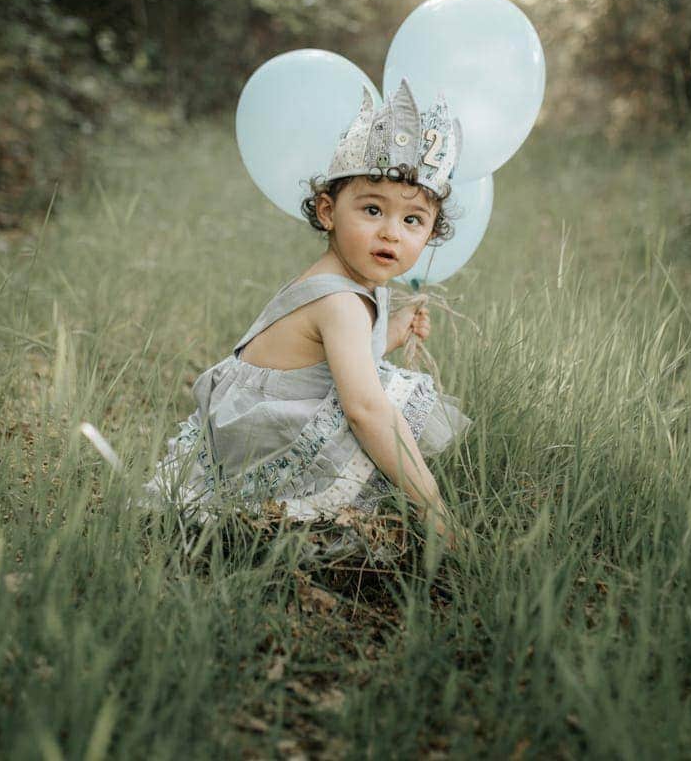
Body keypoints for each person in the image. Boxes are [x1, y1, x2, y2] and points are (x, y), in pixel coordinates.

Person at [139, 80, 472, 556]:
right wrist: (432, 505)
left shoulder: (351, 282)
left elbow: (326, 361)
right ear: (327, 210)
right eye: (372, 209)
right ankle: (295, 517)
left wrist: (390, 332)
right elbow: (363, 408)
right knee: (382, 405)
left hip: (249, 419)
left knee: (378, 389)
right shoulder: (339, 301)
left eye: (412, 220)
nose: (390, 233)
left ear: (432, 232)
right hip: (261, 439)